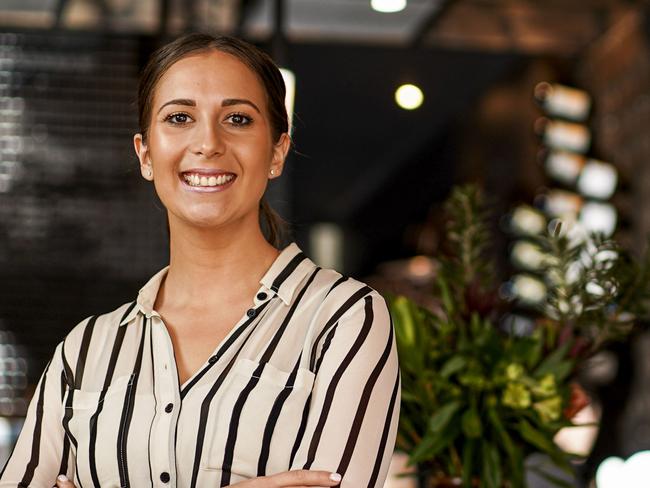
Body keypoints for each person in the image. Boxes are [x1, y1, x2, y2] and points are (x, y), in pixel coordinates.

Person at [0, 33, 401, 488]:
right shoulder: (85, 350)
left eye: (237, 118)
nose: (208, 142)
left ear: (276, 152)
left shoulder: (344, 319)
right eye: (179, 118)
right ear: (146, 154)